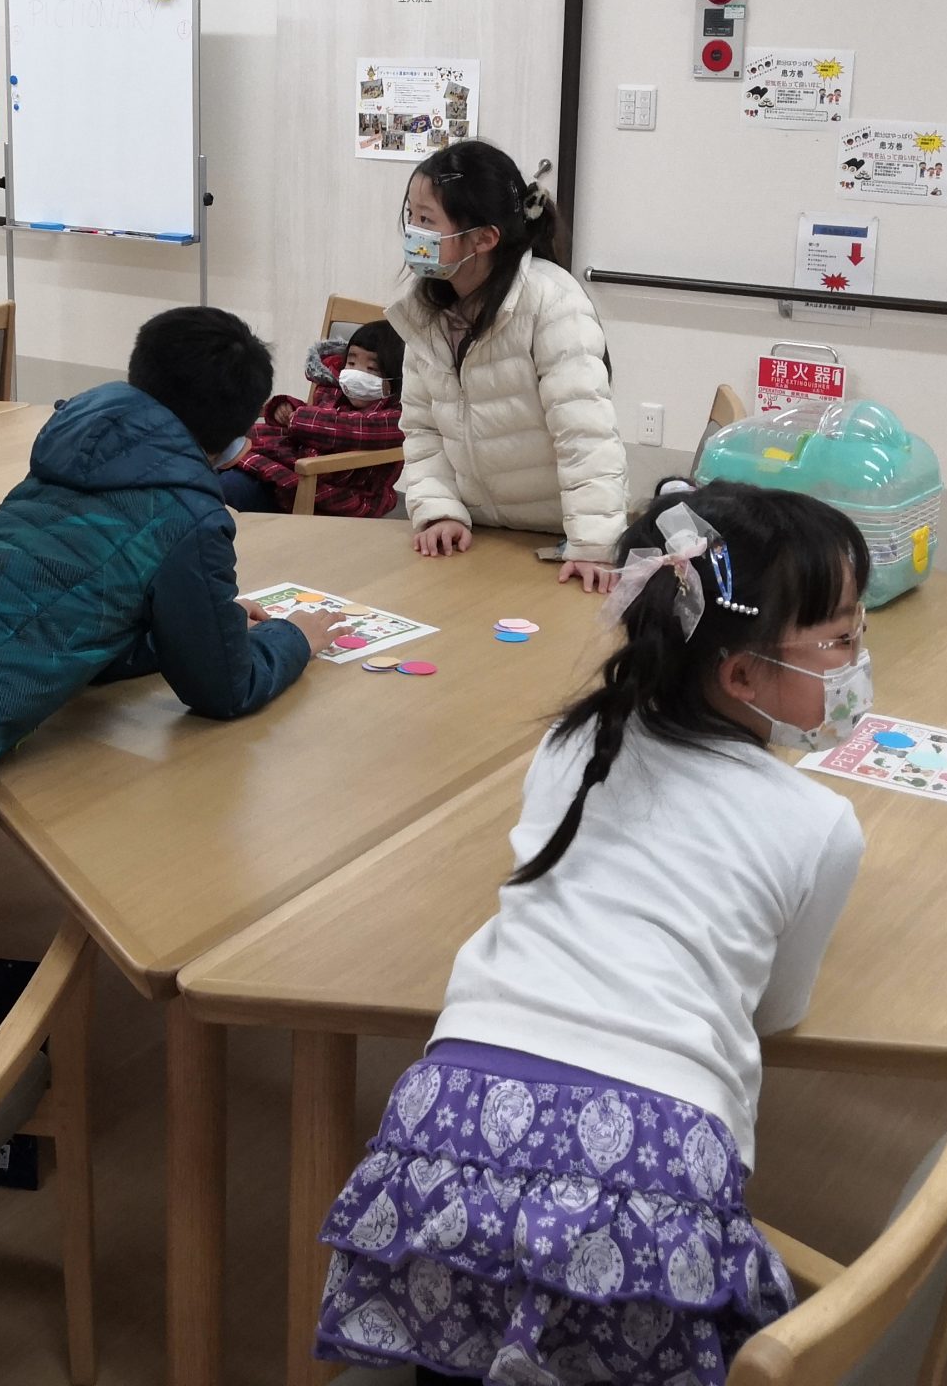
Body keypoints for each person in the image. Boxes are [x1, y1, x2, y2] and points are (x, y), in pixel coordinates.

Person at [314, 483, 869, 1384]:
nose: (858, 658)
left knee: (456, 1351)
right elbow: (776, 1012)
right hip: (654, 1164)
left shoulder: (572, 744)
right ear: (740, 675)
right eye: (841, 639)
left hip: (445, 1122)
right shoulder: (821, 823)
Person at [0, 306, 344, 1030]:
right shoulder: (189, 513)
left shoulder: (73, 445)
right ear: (232, 437)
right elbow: (223, 688)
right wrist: (292, 638)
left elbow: (75, 609)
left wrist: (181, 634)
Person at [391, 141, 627, 594]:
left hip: (557, 539)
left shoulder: (552, 302)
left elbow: (585, 437)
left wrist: (594, 544)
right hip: (478, 537)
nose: (414, 233)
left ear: (484, 238)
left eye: (428, 221)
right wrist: (439, 511)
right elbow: (422, 429)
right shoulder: (424, 312)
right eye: (412, 217)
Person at [221, 317, 405, 516]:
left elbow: (346, 427)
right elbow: (316, 413)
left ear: (396, 376)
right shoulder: (335, 390)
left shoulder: (398, 417)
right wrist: (286, 409)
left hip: (335, 495)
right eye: (351, 363)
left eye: (371, 369)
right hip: (292, 474)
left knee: (229, 486)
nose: (356, 374)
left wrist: (297, 418)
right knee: (215, 468)